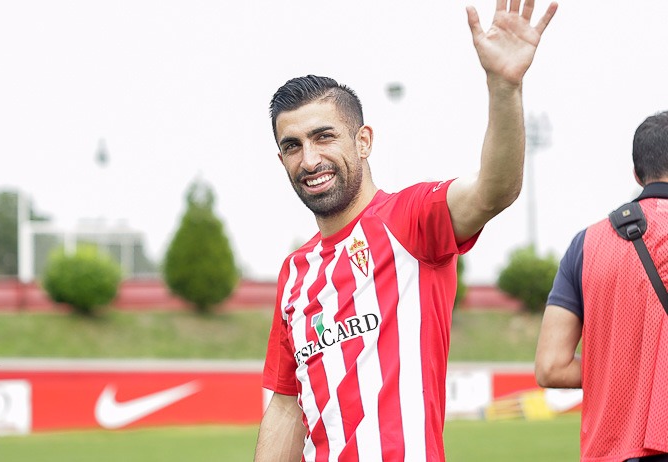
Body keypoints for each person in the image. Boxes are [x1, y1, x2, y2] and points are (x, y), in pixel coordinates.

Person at [254, 1, 557, 460]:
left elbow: (494, 190)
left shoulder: (410, 220)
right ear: (281, 161)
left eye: (324, 136)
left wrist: (504, 86)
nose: (309, 159)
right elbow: (283, 407)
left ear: (363, 140)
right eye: (292, 146)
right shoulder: (295, 274)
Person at [535, 111, 668, 462]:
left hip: (612, 450)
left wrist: (626, 369)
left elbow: (551, 365)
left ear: (637, 174)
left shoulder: (587, 244)